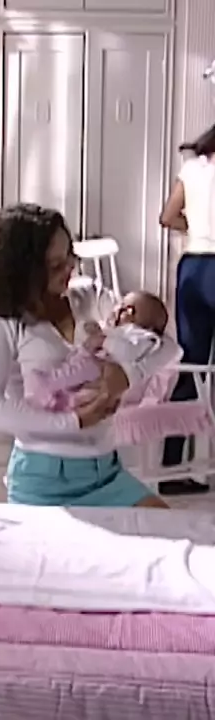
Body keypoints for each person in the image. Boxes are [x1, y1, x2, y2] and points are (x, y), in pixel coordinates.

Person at [0, 203, 179, 507]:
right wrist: (74, 421)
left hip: (106, 472)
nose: (70, 267)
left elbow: (167, 346)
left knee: (170, 529)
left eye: (70, 255)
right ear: (25, 271)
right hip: (42, 479)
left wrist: (127, 375)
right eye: (55, 265)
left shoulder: (88, 296)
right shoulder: (3, 321)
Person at [159, 122, 215, 496]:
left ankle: (171, 469)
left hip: (194, 268)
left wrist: (196, 228)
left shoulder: (193, 167)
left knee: (190, 368)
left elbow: (167, 217)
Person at [25, 290, 170, 413]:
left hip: (101, 368)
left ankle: (50, 382)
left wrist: (104, 341)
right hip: (94, 364)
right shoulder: (116, 328)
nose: (119, 309)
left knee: (80, 370)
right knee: (76, 367)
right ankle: (58, 397)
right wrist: (96, 335)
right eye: (121, 304)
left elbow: (128, 352)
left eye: (129, 309)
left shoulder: (140, 336)